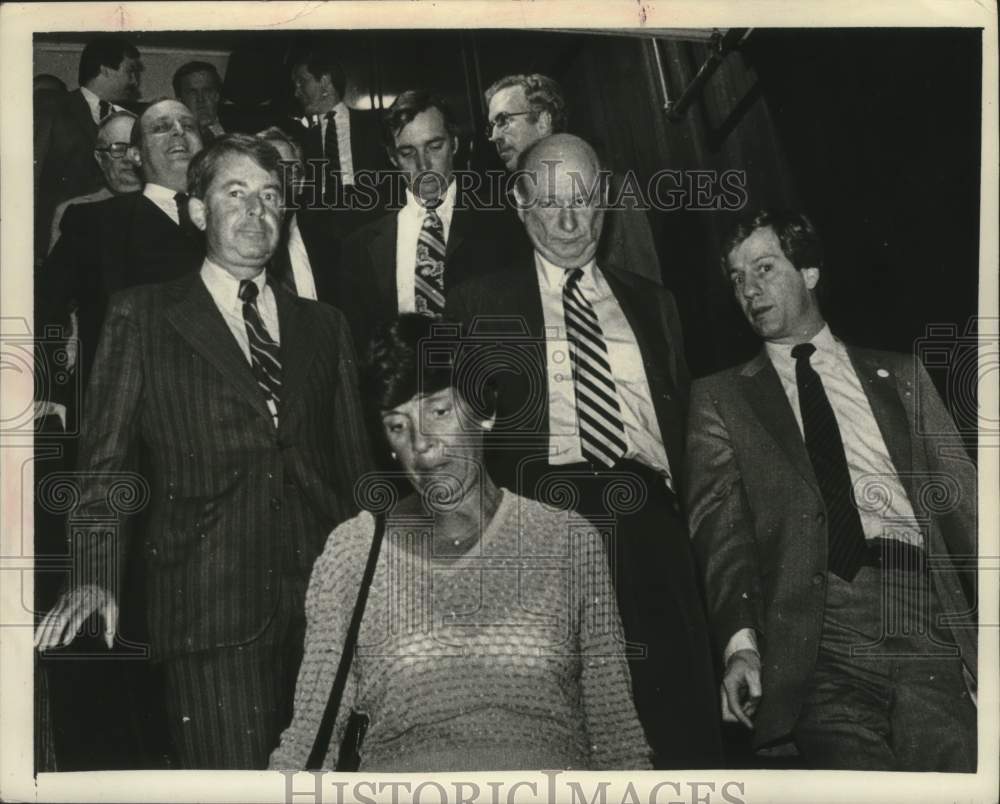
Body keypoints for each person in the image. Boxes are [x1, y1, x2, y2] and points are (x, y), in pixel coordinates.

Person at [34, 134, 373, 769]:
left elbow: (357, 473)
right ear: (197, 211)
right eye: (235, 194)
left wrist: (382, 584)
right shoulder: (143, 316)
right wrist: (93, 572)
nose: (256, 211)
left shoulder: (325, 326)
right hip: (209, 610)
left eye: (270, 196)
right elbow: (105, 463)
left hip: (330, 610)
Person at [444, 134, 721, 768]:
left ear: (606, 199)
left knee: (677, 731)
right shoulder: (476, 304)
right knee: (558, 739)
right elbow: (457, 448)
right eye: (551, 203)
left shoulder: (656, 304)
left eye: (585, 199)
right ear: (521, 205)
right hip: (539, 522)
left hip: (650, 526)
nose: (570, 222)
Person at [269, 313, 651, 771]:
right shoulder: (353, 552)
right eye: (397, 426)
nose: (421, 445)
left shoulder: (567, 540)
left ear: (484, 411)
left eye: (439, 412)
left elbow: (617, 735)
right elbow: (308, 739)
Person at [684, 209, 977, 770]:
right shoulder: (721, 399)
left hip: (922, 611)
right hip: (816, 632)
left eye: (764, 268)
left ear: (809, 273)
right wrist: (741, 646)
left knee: (954, 774)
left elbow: (971, 511)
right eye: (737, 278)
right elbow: (721, 536)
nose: (749, 290)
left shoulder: (903, 376)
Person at [338, 90, 525, 351]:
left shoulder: (506, 223)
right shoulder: (360, 246)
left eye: (435, 147)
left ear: (455, 144)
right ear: (392, 158)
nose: (423, 165)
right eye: (407, 153)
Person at [39, 99, 205, 384]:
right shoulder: (93, 222)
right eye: (161, 127)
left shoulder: (230, 219)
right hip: (124, 397)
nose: (179, 131)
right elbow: (44, 309)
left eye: (188, 126)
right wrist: (53, 392)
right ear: (136, 155)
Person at [484, 73, 663, 286]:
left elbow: (646, 289)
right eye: (492, 125)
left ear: (543, 121)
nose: (494, 136)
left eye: (503, 120)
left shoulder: (616, 191)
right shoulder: (502, 208)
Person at [36, 35, 142, 252]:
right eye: (130, 71)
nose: (134, 81)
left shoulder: (132, 120)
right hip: (58, 242)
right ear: (105, 70)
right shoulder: (52, 105)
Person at [256, 126, 349, 305]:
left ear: (300, 182)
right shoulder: (241, 248)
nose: (279, 180)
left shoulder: (330, 247)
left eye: (289, 170)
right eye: (270, 169)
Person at [288, 47, 385, 208]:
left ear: (324, 81)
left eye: (302, 82)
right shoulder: (302, 139)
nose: (296, 93)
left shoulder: (375, 125)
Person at [49, 111, 142, 253]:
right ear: (100, 158)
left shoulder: (166, 203)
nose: (129, 158)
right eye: (118, 148)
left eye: (137, 148)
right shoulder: (74, 212)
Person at [173, 61, 228, 143]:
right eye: (192, 93)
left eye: (207, 91)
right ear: (180, 101)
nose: (200, 99)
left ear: (217, 96)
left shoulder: (241, 128)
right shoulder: (175, 139)